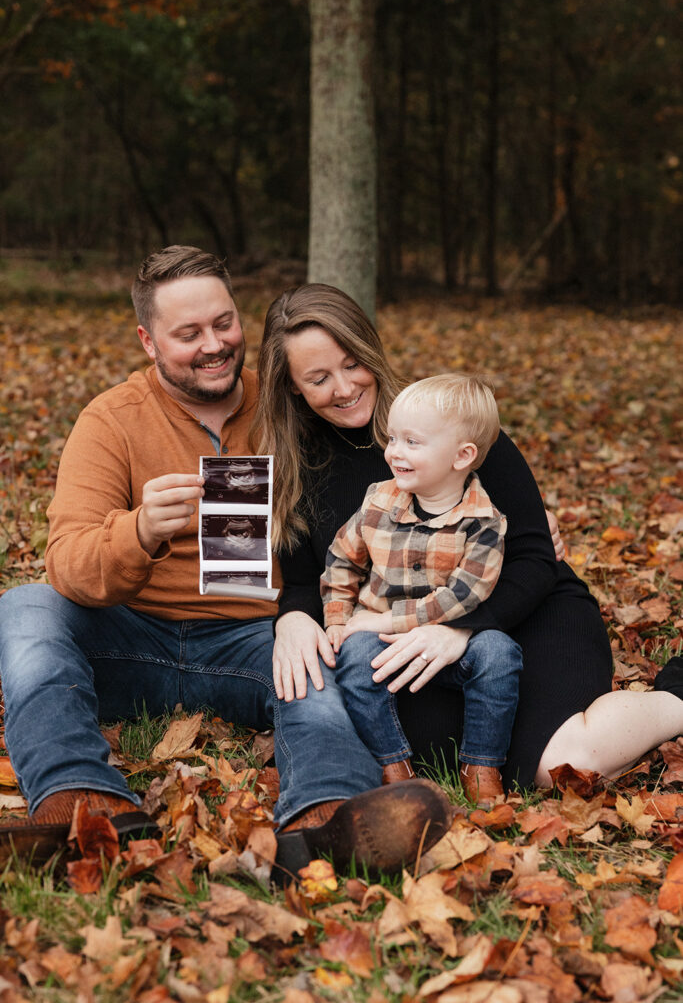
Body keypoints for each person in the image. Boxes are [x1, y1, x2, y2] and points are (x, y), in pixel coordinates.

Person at [0, 247, 452, 877]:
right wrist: (139, 532)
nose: (213, 345)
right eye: (188, 334)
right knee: (24, 606)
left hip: (254, 639)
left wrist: (486, 512)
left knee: (311, 665)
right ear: (148, 341)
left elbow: (391, 456)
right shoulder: (111, 421)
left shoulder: (288, 405)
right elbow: (69, 565)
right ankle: (82, 804)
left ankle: (328, 817)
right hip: (131, 638)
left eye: (224, 323)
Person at [253, 282, 683, 792]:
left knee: (559, 768)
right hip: (404, 637)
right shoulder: (295, 471)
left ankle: (674, 698)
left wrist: (462, 628)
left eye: (352, 363)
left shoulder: (445, 420)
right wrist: (295, 619)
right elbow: (306, 579)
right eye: (318, 378)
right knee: (422, 745)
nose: (344, 387)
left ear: (370, 350)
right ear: (292, 387)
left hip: (519, 611)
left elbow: (533, 556)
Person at [321, 374, 522, 803]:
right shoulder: (377, 503)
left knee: (499, 653)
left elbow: (465, 594)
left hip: (448, 641)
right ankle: (393, 765)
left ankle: (482, 766)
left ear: (462, 455)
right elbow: (342, 560)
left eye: (412, 442)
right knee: (353, 657)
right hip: (380, 642)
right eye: (393, 439)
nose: (394, 451)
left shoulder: (484, 523)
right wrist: (339, 620)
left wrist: (389, 619)